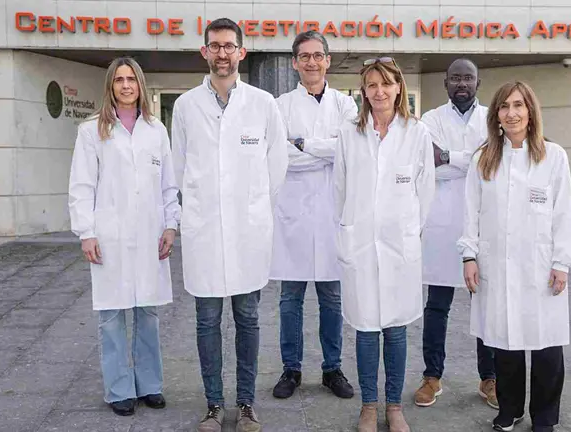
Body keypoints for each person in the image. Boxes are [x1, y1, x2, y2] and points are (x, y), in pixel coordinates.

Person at [171, 18, 288, 432]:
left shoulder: (262, 104)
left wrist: (254, 207)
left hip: (248, 232)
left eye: (229, 46)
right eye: (215, 46)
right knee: (206, 321)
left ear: (241, 52)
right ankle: (213, 404)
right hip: (205, 232)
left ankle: (246, 404)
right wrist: (197, 211)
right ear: (204, 52)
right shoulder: (186, 106)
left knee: (248, 320)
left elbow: (277, 166)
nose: (222, 53)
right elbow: (179, 169)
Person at [458, 81, 571, 432]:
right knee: (505, 342)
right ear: (495, 115)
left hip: (541, 267)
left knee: (546, 348)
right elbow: (471, 212)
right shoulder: (484, 158)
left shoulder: (553, 157)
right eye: (504, 106)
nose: (511, 113)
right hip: (497, 265)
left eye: (518, 105)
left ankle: (544, 417)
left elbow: (563, 213)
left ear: (530, 112)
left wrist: (561, 262)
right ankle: (509, 410)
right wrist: (469, 255)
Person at [68, 57, 180, 417]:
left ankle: (150, 385)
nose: (127, 85)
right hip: (109, 235)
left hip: (150, 233)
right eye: (120, 80)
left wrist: (171, 225)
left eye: (132, 79)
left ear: (141, 85)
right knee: (111, 315)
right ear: (111, 86)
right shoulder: (91, 131)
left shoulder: (155, 129)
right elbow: (81, 185)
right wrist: (86, 232)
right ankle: (119, 389)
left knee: (147, 312)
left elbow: (169, 185)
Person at [334, 57, 435, 432]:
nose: (379, 91)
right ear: (364, 91)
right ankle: (369, 406)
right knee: (364, 329)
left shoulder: (416, 132)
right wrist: (347, 230)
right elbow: (339, 188)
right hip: (359, 243)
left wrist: (408, 230)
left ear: (398, 88)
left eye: (386, 84)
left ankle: (394, 406)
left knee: (395, 328)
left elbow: (425, 191)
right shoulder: (349, 132)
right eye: (372, 85)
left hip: (399, 247)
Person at [270, 31, 358, 400]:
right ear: (294, 62)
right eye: (304, 56)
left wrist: (302, 143)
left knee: (332, 300)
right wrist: (325, 152)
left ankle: (332, 369)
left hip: (331, 215)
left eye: (317, 55)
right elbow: (279, 156)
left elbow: (349, 150)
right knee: (290, 300)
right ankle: (291, 370)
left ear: (328, 60)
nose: (311, 62)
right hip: (292, 216)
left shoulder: (347, 105)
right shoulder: (279, 105)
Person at [415, 58, 498, 409]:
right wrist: (471, 160)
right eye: (455, 78)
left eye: (468, 78)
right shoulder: (431, 119)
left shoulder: (492, 119)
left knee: (486, 304)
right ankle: (432, 376)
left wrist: (450, 156)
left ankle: (490, 378)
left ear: (478, 84)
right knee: (437, 306)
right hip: (443, 223)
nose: (461, 83)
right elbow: (430, 164)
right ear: (446, 83)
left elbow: (493, 160)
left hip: (485, 223)